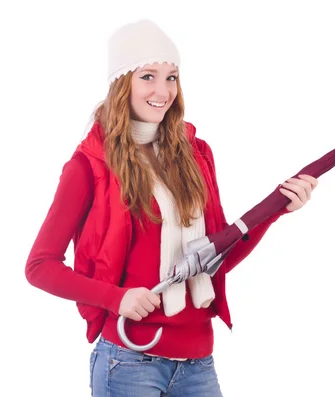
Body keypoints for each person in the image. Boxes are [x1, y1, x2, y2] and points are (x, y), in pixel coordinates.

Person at [25, 19, 318, 397]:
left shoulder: (196, 156)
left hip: (199, 363)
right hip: (128, 364)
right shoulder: (90, 165)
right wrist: (117, 298)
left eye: (172, 78)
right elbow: (39, 266)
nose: (162, 91)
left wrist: (276, 209)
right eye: (148, 76)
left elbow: (215, 258)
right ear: (121, 83)